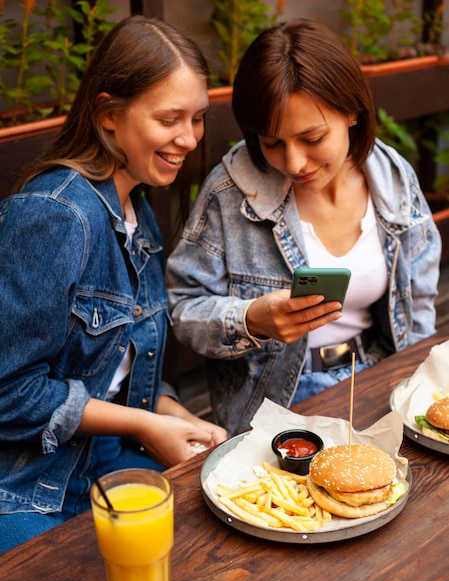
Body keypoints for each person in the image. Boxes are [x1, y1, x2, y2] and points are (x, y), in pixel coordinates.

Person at [0, 15, 227, 553]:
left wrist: (173, 416)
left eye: (197, 118)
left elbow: (113, 372)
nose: (189, 138)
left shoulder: (135, 208)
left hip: (107, 459)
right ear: (108, 117)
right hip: (30, 483)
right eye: (170, 118)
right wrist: (146, 427)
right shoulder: (55, 217)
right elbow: (9, 393)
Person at [166, 18, 441, 436]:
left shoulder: (393, 179)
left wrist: (418, 389)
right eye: (272, 142)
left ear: (352, 112)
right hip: (273, 405)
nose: (293, 163)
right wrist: (251, 320)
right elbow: (181, 307)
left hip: (380, 380)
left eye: (312, 139)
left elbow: (418, 304)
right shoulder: (230, 192)